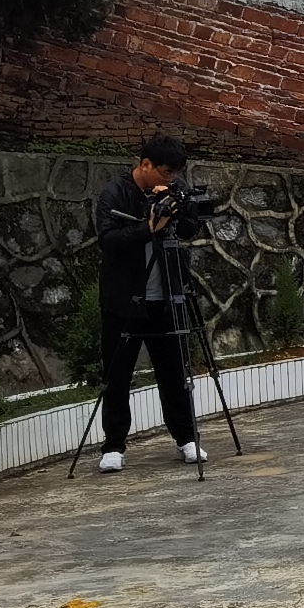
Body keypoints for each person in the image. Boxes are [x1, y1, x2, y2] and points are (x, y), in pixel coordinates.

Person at [93, 133, 207, 472]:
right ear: (146, 164)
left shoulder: (174, 188)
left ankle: (187, 438)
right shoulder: (116, 193)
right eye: (166, 172)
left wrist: (181, 205)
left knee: (174, 373)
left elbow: (189, 229)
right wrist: (148, 227)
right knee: (118, 375)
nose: (171, 179)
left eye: (175, 174)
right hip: (123, 301)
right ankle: (113, 445)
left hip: (167, 297)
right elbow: (108, 240)